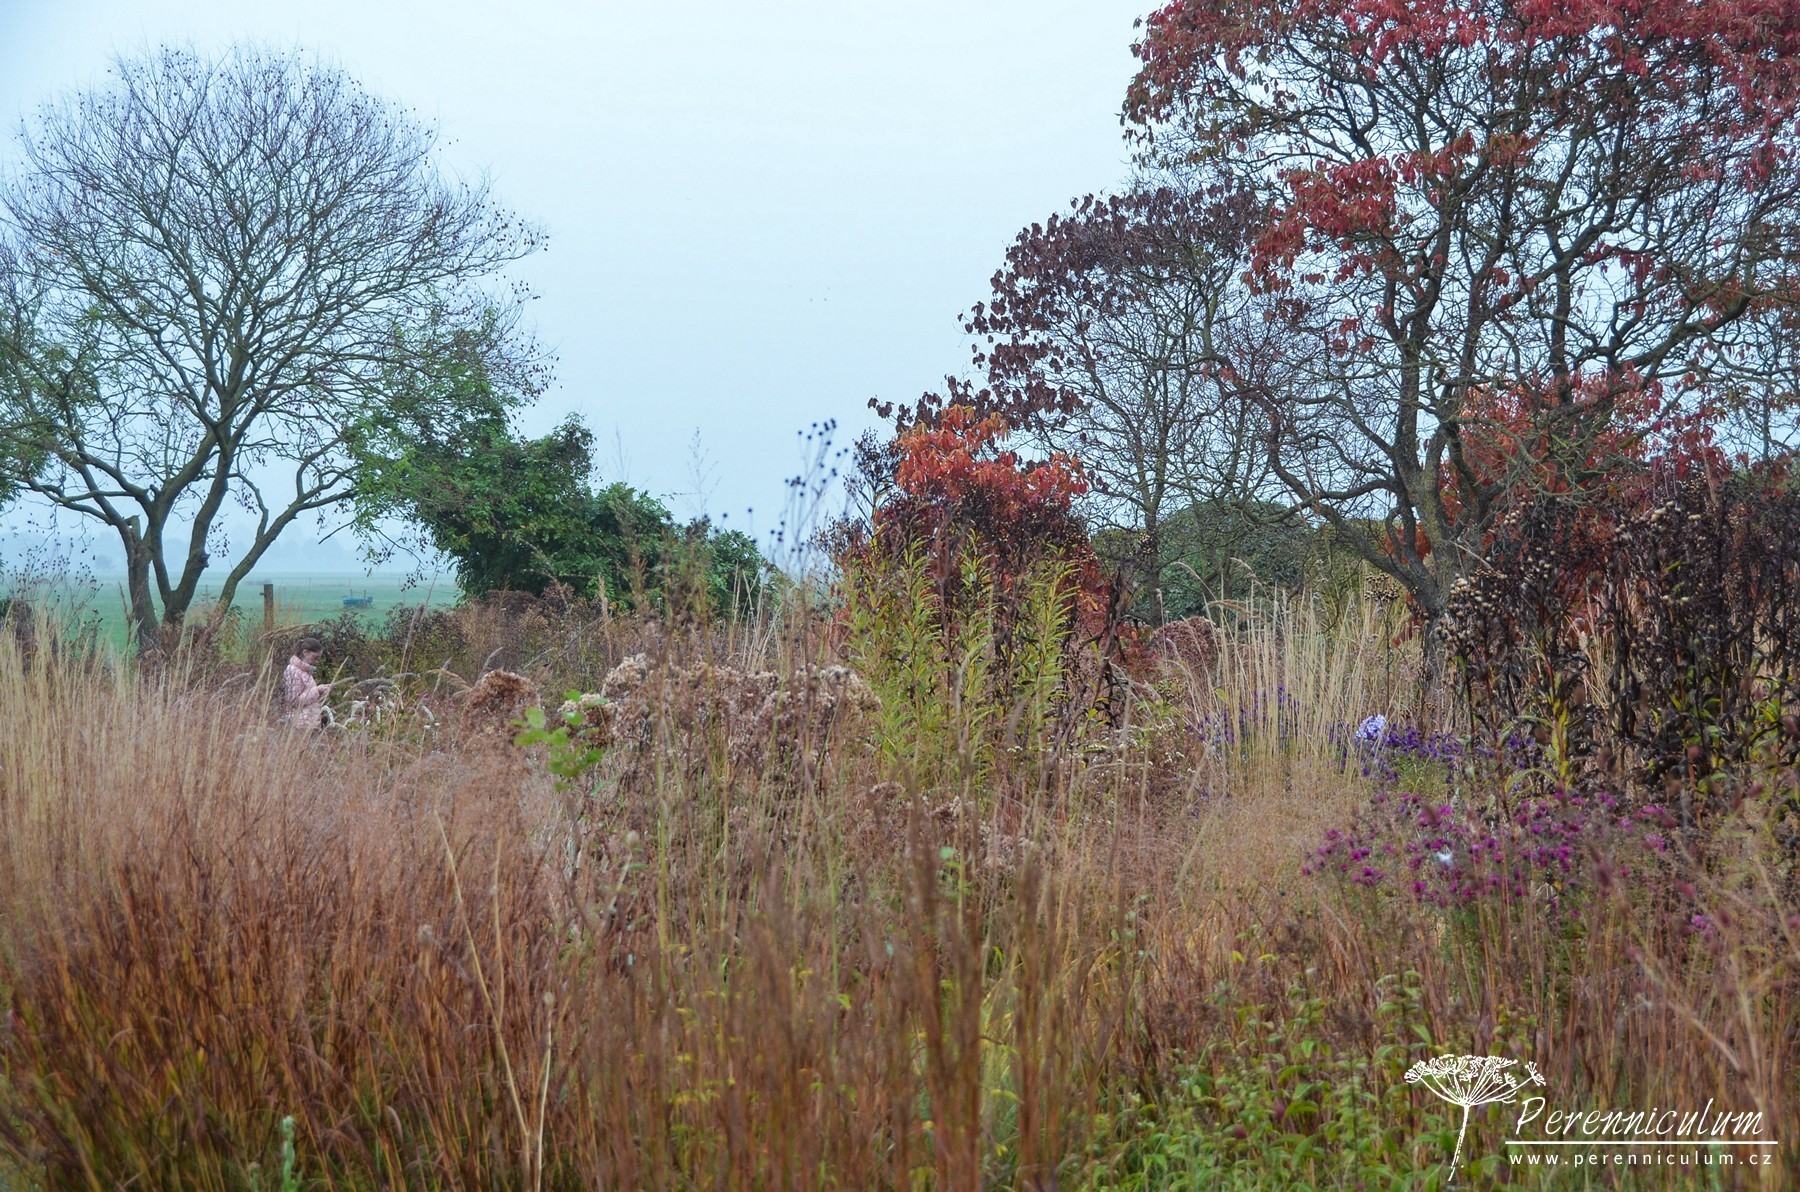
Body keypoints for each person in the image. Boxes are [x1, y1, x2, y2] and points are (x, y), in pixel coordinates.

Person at [281, 637, 334, 729]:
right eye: (315, 657)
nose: (317, 661)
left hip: (308, 723)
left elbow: (308, 698)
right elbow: (294, 701)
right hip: (298, 724)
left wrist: (321, 692)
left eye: (319, 658)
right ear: (305, 653)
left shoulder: (305, 671)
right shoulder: (293, 671)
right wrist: (317, 690)